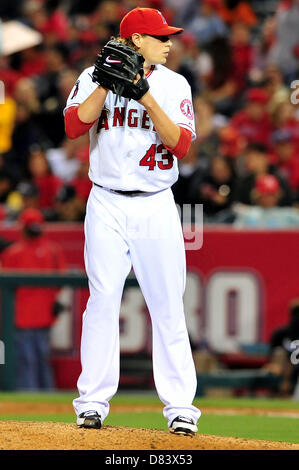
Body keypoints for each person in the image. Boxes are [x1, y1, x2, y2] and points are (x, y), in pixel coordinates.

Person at [64, 7, 201, 435]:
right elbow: (73, 126)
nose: (170, 43)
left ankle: (180, 408)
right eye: (161, 37)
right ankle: (92, 403)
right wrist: (106, 84)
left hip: (156, 202)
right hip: (105, 200)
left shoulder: (174, 83)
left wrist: (143, 94)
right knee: (102, 300)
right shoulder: (93, 75)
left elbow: (181, 145)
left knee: (166, 305)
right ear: (137, 40)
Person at [1, 208, 67, 390]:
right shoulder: (14, 253)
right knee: (33, 360)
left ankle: (39, 400)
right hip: (25, 318)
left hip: (31, 317)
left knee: (32, 361)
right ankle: (41, 401)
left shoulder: (18, 252)